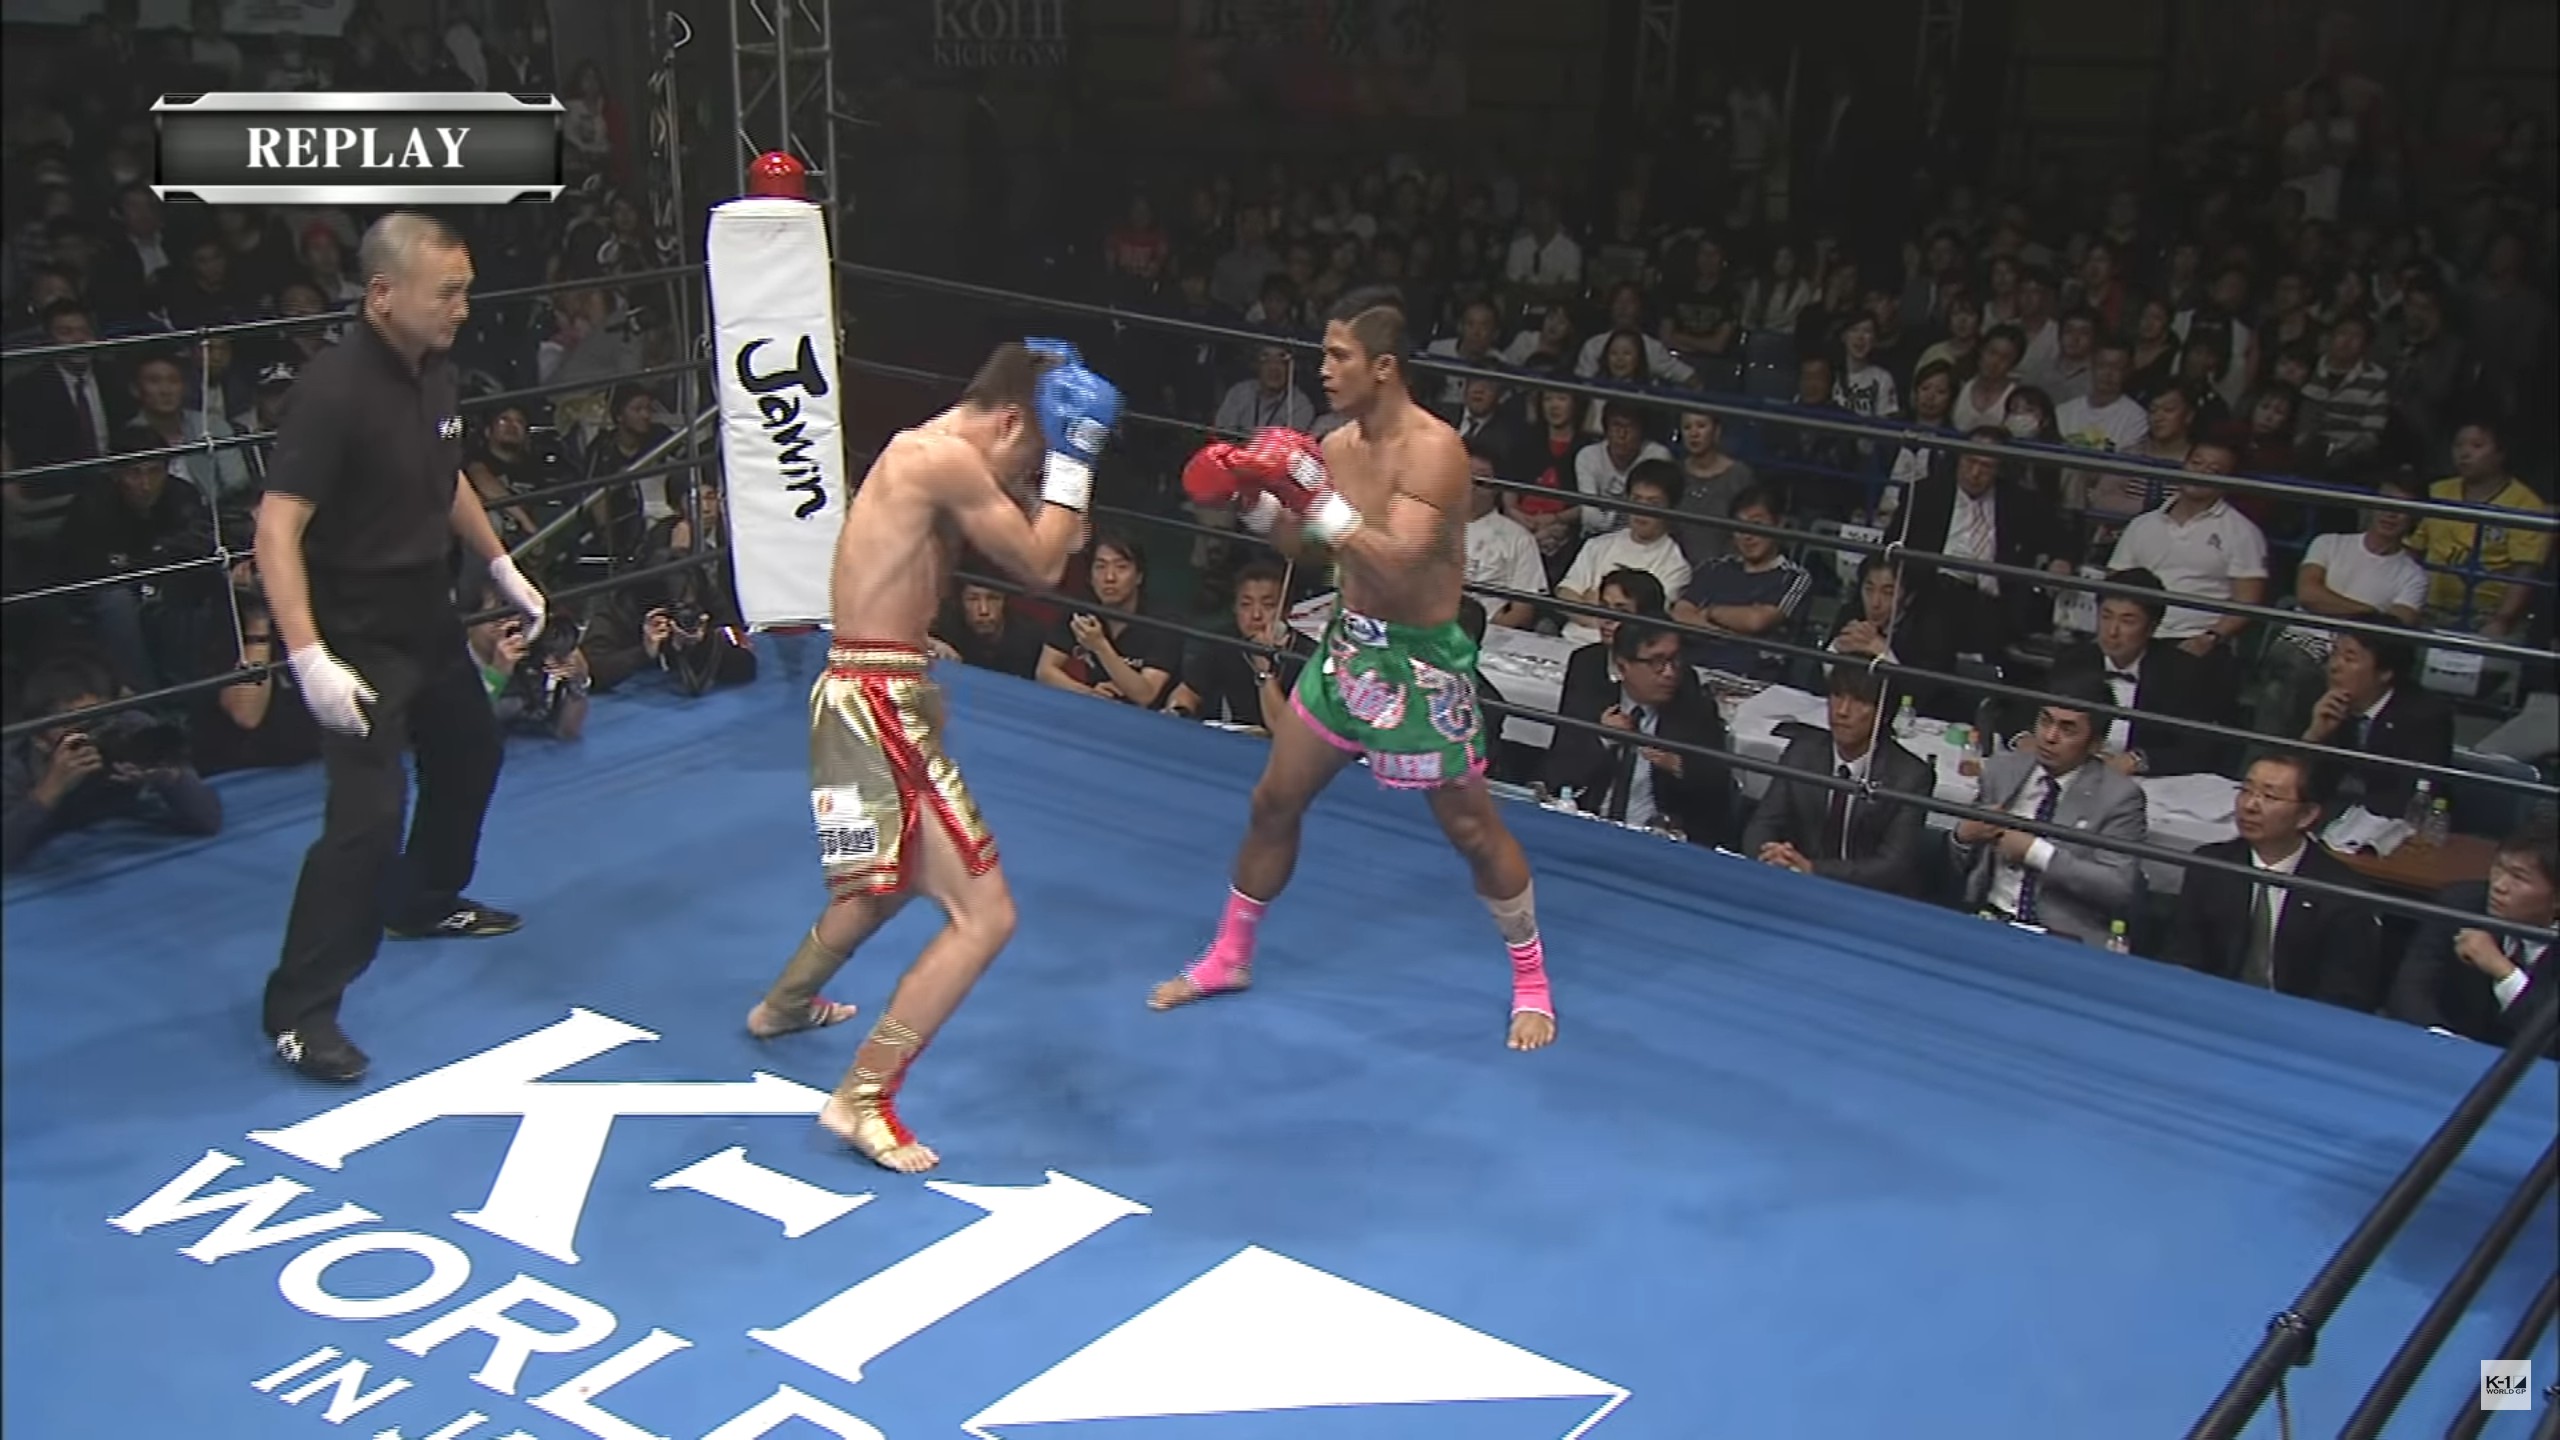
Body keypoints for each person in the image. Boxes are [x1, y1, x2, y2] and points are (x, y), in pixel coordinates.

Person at [745, 338, 1119, 1173]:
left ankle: (783, 1006)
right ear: (1012, 420)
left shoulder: (926, 455)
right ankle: (863, 1095)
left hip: (866, 687)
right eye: (1034, 451)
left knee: (882, 884)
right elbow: (1044, 562)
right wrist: (1077, 461)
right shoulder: (941, 459)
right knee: (986, 916)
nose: (1029, 473)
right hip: (876, 701)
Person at [1161, 286, 1558, 1050]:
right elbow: (1305, 548)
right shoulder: (1337, 447)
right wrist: (1253, 500)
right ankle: (1230, 955)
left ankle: (1532, 980)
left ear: (1384, 366)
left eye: (1338, 355)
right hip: (1349, 650)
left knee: (1474, 831)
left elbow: (1400, 561)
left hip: (1421, 662)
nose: (1323, 369)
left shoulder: (1434, 450)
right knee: (1273, 800)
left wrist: (1315, 498)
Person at [256, 213, 547, 1083]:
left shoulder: (436, 371)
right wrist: (308, 656)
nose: (463, 307)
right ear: (383, 295)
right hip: (356, 627)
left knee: (470, 751)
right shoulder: (332, 390)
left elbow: (443, 478)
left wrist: (500, 563)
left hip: (426, 607)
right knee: (367, 819)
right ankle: (300, 1011)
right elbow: (275, 529)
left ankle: (421, 900)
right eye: (447, 292)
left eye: (466, 290)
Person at [2162, 751, 2385, 1008]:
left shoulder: (2341, 892)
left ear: (2306, 815)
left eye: (2269, 796)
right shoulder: (2211, 865)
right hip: (2212, 1004)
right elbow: (2183, 955)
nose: (2249, 806)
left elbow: (2342, 994)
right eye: (2246, 790)